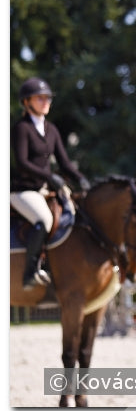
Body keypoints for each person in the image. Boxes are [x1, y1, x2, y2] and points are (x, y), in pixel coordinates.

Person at [10, 77, 91, 289]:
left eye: (48, 98)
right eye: (40, 98)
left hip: (44, 190)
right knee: (44, 219)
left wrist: (81, 179)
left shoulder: (51, 129)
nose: (46, 101)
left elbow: (64, 162)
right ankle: (30, 272)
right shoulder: (21, 128)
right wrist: (49, 177)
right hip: (22, 191)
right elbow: (23, 162)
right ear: (27, 102)